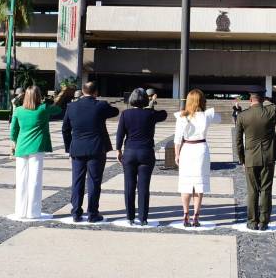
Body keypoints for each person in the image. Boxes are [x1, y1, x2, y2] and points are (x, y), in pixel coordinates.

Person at [62, 81, 119, 223]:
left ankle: (76, 212)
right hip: (96, 148)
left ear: (82, 91)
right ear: (95, 92)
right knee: (94, 181)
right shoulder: (100, 105)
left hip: (77, 149)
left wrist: (69, 149)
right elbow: (115, 111)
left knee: (77, 181)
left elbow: (65, 129)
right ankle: (92, 213)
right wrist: (102, 103)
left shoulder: (71, 106)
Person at [235, 92, 276, 231]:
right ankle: (264, 222)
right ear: (263, 99)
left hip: (250, 158)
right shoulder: (271, 111)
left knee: (252, 190)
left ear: (250, 100)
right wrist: (272, 99)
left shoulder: (242, 116)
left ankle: (252, 221)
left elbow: (238, 142)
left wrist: (242, 159)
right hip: (268, 157)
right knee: (266, 189)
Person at [10, 86, 67, 220]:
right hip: (37, 146)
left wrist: (13, 144)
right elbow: (58, 109)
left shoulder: (18, 110)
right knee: (35, 179)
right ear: (38, 96)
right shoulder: (43, 108)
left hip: (21, 146)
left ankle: (20, 211)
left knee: (21, 179)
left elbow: (13, 130)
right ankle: (33, 212)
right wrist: (47, 100)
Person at [116, 88, 167, 225]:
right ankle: (143, 218)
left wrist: (118, 150)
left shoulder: (125, 114)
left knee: (129, 185)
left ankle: (130, 217)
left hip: (130, 151)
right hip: (146, 152)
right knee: (144, 187)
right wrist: (152, 102)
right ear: (146, 99)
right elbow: (164, 114)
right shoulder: (150, 114)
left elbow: (120, 134)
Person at [174, 89, 220, 227]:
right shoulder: (206, 115)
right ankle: (196, 216)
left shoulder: (182, 116)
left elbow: (177, 139)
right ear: (202, 101)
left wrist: (177, 155)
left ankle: (185, 214)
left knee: (186, 184)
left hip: (187, 149)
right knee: (199, 185)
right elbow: (219, 118)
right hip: (201, 149)